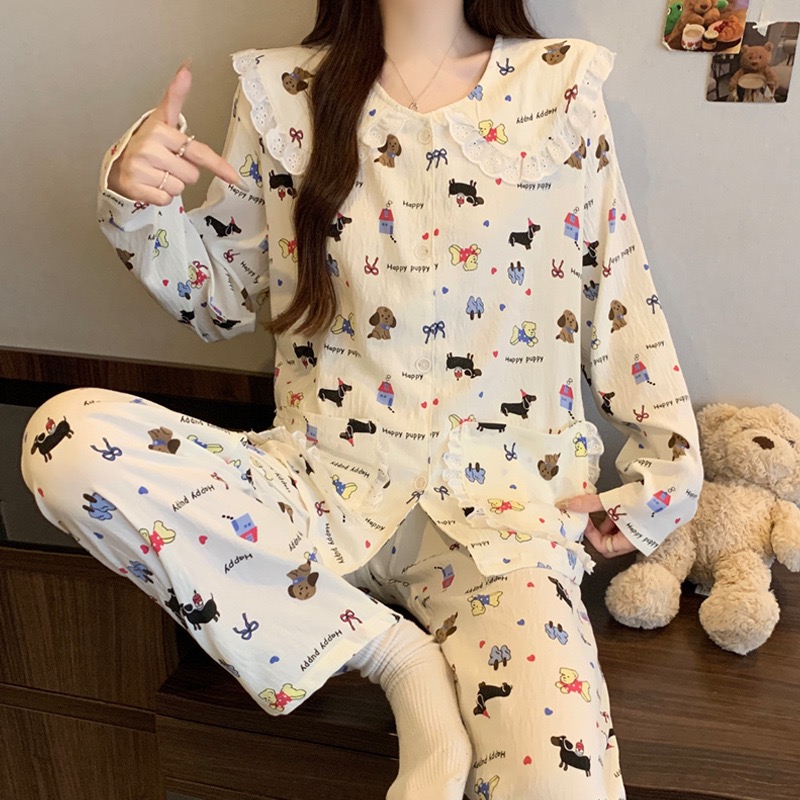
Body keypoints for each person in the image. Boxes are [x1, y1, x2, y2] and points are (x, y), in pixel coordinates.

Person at [21, 1, 705, 798]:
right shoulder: (284, 93)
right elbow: (219, 302)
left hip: (499, 521)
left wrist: (661, 482)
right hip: (313, 494)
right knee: (63, 442)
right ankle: (394, 656)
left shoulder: (558, 88)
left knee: (561, 783)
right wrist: (142, 203)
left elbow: (619, 291)